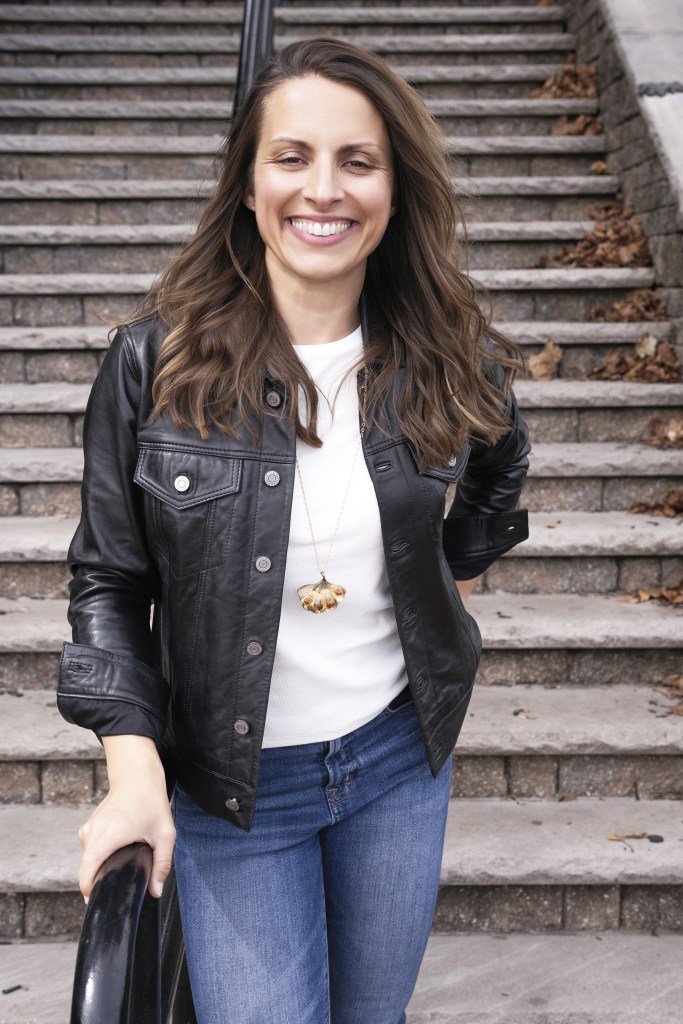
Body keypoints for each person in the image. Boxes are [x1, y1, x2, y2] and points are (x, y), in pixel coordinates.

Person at [57, 37, 531, 1024]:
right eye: (291, 156)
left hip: (397, 759)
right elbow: (109, 579)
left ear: (393, 191)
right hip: (235, 791)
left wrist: (445, 589)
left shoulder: (448, 355)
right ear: (246, 184)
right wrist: (133, 773)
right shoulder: (153, 365)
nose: (323, 189)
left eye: (357, 161)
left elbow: (499, 471)